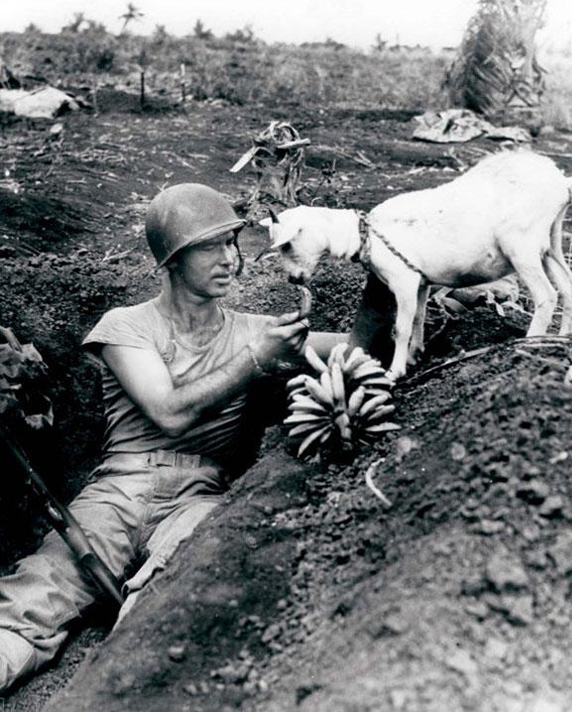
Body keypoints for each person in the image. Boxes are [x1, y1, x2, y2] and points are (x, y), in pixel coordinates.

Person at [0, 183, 344, 693]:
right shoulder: (127, 326)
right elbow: (170, 412)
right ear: (173, 260)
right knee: (34, 598)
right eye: (211, 246)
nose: (229, 258)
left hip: (201, 497)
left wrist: (390, 283)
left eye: (232, 244)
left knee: (180, 595)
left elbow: (360, 349)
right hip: (118, 492)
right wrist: (256, 358)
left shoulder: (257, 330)